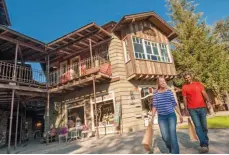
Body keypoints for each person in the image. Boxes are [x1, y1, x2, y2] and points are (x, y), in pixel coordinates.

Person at [152, 76, 183, 154]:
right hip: (161, 118)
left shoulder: (169, 92)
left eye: (164, 81)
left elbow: (174, 104)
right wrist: (152, 118)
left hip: (171, 116)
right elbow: (154, 106)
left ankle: (175, 152)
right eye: (161, 81)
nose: (163, 83)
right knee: (165, 136)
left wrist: (180, 114)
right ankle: (171, 148)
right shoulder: (156, 94)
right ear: (158, 83)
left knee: (173, 135)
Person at [182, 73, 211, 153]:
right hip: (192, 109)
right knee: (198, 126)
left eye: (188, 77)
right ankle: (204, 144)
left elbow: (204, 93)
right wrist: (186, 108)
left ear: (191, 77)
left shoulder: (198, 84)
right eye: (186, 78)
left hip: (202, 107)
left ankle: (205, 140)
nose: (187, 79)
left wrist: (208, 101)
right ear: (184, 79)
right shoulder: (184, 87)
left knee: (204, 126)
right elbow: (184, 98)